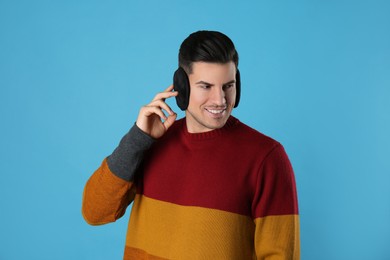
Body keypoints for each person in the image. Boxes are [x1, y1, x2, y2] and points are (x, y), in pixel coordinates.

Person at [82, 30, 300, 259]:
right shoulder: (148, 144)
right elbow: (94, 212)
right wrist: (137, 138)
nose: (220, 100)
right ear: (182, 87)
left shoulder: (266, 157)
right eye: (206, 86)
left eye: (228, 86)